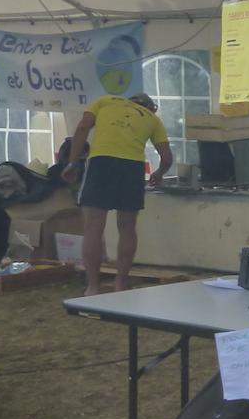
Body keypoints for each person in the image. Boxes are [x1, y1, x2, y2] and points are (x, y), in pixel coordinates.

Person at [62, 93, 172, 296]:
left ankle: (92, 287)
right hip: (132, 167)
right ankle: (121, 284)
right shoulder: (152, 119)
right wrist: (158, 174)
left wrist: (72, 162)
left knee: (93, 227)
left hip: (101, 162)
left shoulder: (104, 101)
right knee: (127, 227)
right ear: (151, 107)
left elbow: (82, 127)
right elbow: (166, 158)